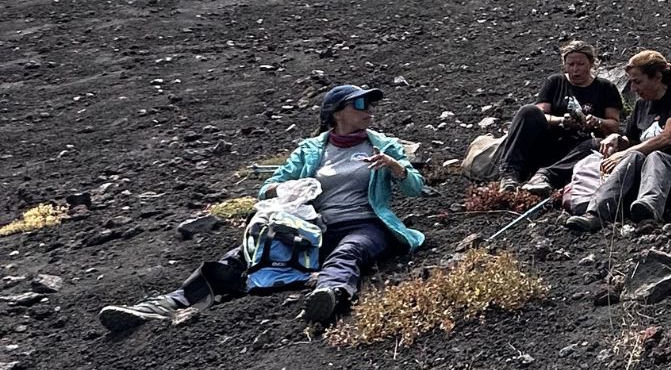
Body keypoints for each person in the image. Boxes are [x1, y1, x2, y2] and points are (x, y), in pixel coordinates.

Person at [98, 84, 426, 331]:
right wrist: (286, 188)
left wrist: (394, 167)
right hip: (315, 227)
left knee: (350, 251)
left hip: (365, 224)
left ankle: (330, 294)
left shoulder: (383, 144)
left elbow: (414, 188)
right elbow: (267, 189)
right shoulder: (311, 150)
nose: (369, 109)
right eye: (359, 104)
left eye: (370, 104)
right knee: (242, 256)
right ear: (338, 113)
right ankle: (165, 304)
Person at [563, 51, 671, 230]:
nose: (633, 88)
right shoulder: (641, 105)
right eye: (631, 82)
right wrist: (617, 139)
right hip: (648, 175)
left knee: (655, 156)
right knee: (634, 158)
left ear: (657, 77)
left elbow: (669, 138)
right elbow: (631, 140)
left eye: (637, 82)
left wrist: (626, 152)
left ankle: (649, 207)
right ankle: (596, 214)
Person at [496, 41, 624, 197]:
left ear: (591, 64)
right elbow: (541, 114)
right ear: (565, 65)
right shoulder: (555, 82)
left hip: (578, 148)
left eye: (580, 64)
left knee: (597, 145)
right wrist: (561, 121)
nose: (575, 70)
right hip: (550, 141)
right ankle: (509, 174)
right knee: (528, 111)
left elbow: (614, 125)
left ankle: (546, 176)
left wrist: (596, 122)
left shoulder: (605, 88)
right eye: (571, 64)